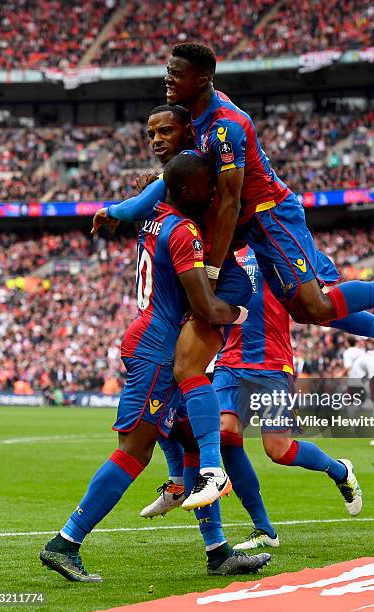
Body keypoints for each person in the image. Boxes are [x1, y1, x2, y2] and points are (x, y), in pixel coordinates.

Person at [164, 42, 374, 382]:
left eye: (176, 73)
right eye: (168, 71)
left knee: (317, 306)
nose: (168, 79)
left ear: (203, 79)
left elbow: (231, 203)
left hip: (271, 216)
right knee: (308, 310)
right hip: (255, 224)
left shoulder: (225, 126)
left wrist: (213, 271)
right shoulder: (199, 117)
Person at [39, 153, 269, 582]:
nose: (215, 192)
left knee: (191, 442)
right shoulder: (183, 231)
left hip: (153, 339)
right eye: (207, 185)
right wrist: (239, 312)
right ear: (184, 190)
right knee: (134, 450)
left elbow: (141, 204)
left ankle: (217, 551)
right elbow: (203, 305)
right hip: (158, 351)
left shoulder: (156, 218)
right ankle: (65, 543)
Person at [141, 246, 362, 551]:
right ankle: (264, 529)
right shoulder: (224, 249)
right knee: (225, 436)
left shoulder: (280, 246)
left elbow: (325, 305)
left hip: (272, 364)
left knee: (279, 450)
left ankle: (340, 470)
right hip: (229, 363)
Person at [92, 104, 253, 510]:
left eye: (165, 131)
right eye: (151, 134)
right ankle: (195, 501)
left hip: (216, 283)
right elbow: (143, 203)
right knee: (175, 413)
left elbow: (137, 207)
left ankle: (210, 474)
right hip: (176, 306)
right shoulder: (172, 192)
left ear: (187, 131)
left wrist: (115, 210)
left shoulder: (198, 171)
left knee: (185, 374)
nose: (157, 140)